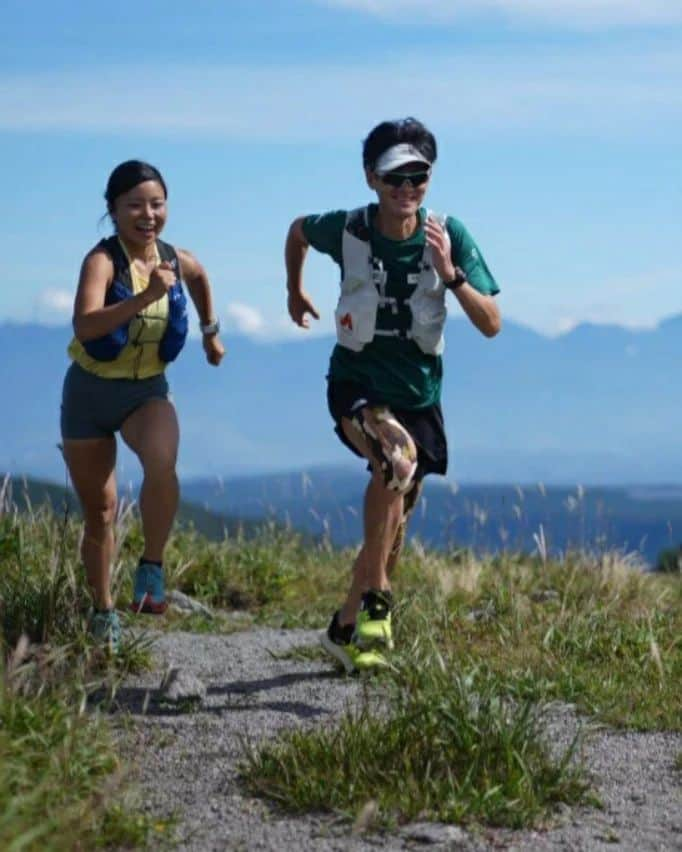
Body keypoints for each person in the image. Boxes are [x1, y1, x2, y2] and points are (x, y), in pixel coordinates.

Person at [285, 118, 501, 673]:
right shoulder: (349, 229)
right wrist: (295, 290)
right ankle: (380, 606)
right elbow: (298, 231)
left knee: (394, 521)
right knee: (395, 460)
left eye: (417, 176)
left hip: (419, 394)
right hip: (356, 386)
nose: (406, 188)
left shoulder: (449, 234)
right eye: (394, 177)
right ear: (370, 178)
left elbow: (492, 322)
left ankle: (343, 628)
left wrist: (451, 276)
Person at [60, 160, 225, 651]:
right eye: (135, 205)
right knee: (102, 510)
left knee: (162, 462)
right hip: (89, 394)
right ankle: (103, 610)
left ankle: (151, 568)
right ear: (112, 210)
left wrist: (211, 333)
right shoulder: (102, 261)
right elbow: (86, 326)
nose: (147, 214)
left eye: (156, 204)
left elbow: (199, 278)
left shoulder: (177, 258)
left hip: (146, 391)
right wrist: (147, 295)